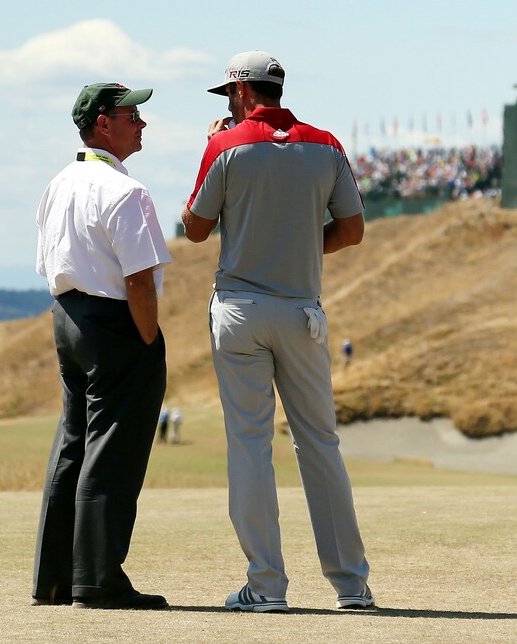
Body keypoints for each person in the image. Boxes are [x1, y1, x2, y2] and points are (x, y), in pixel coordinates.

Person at [182, 50, 373, 613]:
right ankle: (352, 586)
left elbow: (194, 230)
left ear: (241, 93)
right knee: (320, 445)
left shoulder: (225, 146)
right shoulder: (327, 145)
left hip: (240, 308)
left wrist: (209, 146)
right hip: (301, 313)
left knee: (249, 445)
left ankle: (266, 586)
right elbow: (353, 230)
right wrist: (295, 244)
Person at [32, 82, 172, 610]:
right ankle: (97, 580)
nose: (141, 123)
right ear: (102, 124)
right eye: (131, 115)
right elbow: (139, 280)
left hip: (68, 317)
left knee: (73, 445)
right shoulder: (126, 192)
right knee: (112, 451)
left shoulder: (58, 183)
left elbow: (48, 260)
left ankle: (55, 579)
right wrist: (149, 337)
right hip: (115, 322)